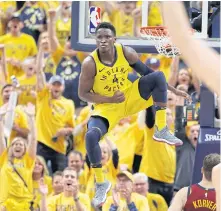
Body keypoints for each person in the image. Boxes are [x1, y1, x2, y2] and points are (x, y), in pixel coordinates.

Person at [78, 21, 189, 207]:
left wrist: (174, 91)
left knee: (159, 76)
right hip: (107, 105)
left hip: (128, 96)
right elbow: (82, 94)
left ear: (114, 39)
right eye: (99, 37)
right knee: (91, 136)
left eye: (107, 37)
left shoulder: (126, 52)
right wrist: (110, 99)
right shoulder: (90, 63)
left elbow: (149, 74)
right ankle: (101, 182)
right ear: (95, 40)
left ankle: (161, 128)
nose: (103, 40)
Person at [162, 2, 220, 96]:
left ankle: (208, 10)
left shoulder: (195, 91)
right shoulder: (171, 90)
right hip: (188, 39)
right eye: (182, 74)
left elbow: (193, 74)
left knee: (186, 34)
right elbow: (174, 71)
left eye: (185, 74)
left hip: (187, 39)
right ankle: (209, 9)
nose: (184, 76)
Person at [36, 39, 75, 173]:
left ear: (63, 87)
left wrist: (64, 131)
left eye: (59, 85)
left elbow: (71, 127)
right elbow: (38, 71)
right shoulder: (43, 95)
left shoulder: (69, 104)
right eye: (54, 84)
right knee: (39, 174)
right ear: (50, 86)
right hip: (41, 143)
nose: (56, 87)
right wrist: (41, 50)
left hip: (59, 146)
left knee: (60, 176)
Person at [0, 103, 37, 211]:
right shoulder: (4, 158)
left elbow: (33, 139)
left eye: (21, 144)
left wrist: (31, 118)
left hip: (24, 204)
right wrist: (0, 118)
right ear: (10, 148)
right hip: (5, 204)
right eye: (15, 144)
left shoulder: (28, 160)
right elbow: (1, 137)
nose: (17, 145)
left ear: (25, 149)